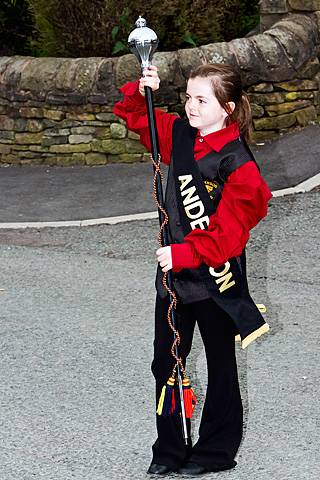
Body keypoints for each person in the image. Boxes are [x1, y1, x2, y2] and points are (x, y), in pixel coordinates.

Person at [114, 63, 272, 476]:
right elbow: (136, 116)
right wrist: (141, 89)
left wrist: (183, 254)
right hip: (174, 279)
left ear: (229, 109)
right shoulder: (181, 135)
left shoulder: (240, 165)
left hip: (215, 279)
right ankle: (169, 450)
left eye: (202, 100)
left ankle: (215, 452)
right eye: (187, 97)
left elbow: (231, 235)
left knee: (221, 367)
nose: (191, 107)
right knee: (166, 363)